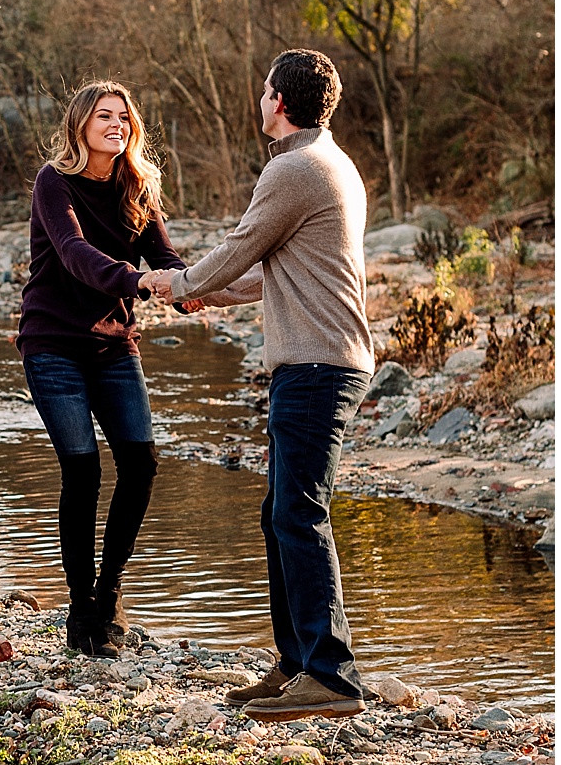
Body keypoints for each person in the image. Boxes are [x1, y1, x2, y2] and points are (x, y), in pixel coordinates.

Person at [148, 49, 374, 722]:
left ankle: (331, 676)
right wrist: (208, 300)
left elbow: (239, 247)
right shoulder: (331, 163)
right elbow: (273, 271)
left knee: (298, 513)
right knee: (278, 512)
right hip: (321, 361)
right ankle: (296, 660)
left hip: (315, 365)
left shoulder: (293, 168)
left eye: (263, 92)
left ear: (279, 101)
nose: (259, 100)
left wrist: (178, 283)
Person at [19, 81, 195, 658]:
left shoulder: (136, 185)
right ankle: (80, 606)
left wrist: (190, 286)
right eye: (104, 116)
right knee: (84, 470)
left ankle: (109, 591)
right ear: (80, 125)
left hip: (115, 345)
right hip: (52, 345)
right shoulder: (55, 181)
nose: (116, 125)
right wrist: (136, 279)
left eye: (124, 117)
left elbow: (166, 259)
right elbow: (72, 252)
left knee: (140, 465)